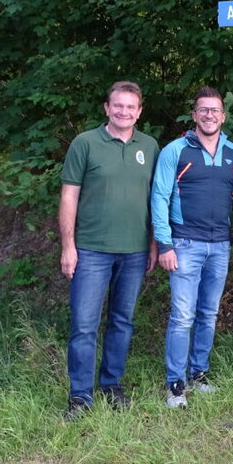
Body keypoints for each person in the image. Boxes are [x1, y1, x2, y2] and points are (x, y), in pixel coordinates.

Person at [59, 81, 159, 421]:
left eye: (131, 107)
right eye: (118, 105)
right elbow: (69, 195)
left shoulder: (150, 146)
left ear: (139, 111)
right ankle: (80, 397)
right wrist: (68, 246)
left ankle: (111, 386)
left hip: (134, 251)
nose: (124, 112)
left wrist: (153, 244)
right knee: (84, 325)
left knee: (122, 322)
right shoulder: (85, 143)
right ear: (107, 108)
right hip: (91, 250)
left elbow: (154, 200)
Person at [151, 86, 233, 408]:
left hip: (220, 246)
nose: (209, 115)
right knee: (182, 316)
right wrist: (164, 244)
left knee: (209, 314)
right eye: (203, 110)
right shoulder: (175, 150)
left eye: (215, 110)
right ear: (194, 115)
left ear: (223, 115)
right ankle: (175, 383)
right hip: (184, 243)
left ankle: (199, 374)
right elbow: (160, 197)